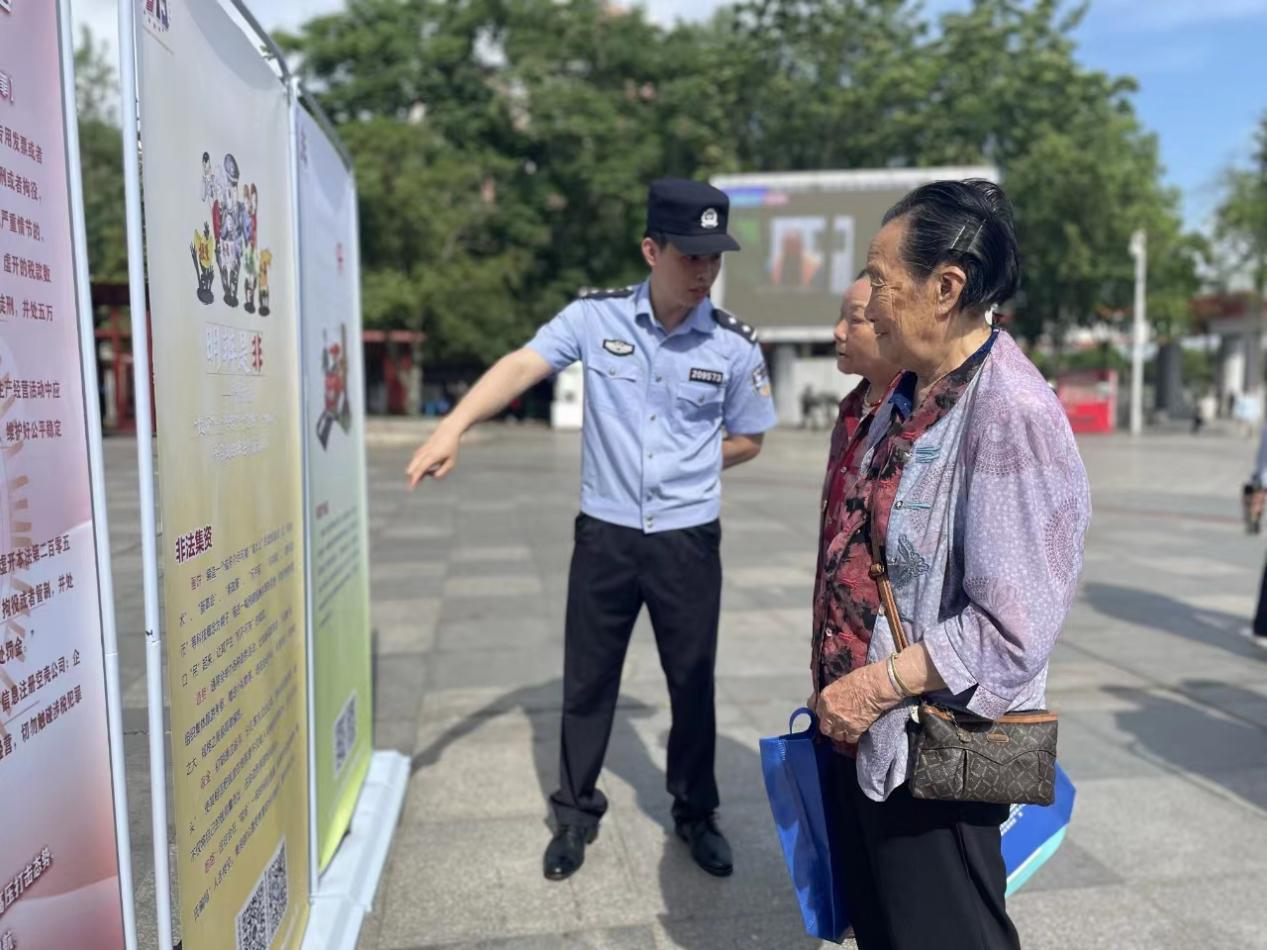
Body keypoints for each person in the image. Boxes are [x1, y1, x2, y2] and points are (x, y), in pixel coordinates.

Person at [406, 178, 778, 882]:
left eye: (713, 257)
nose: (703, 271)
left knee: (691, 682)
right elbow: (523, 364)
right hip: (605, 535)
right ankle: (575, 813)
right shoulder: (593, 317)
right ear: (651, 250)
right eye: (689, 255)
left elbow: (750, 438)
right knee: (587, 682)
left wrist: (689, 464)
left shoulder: (733, 346)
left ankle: (696, 812)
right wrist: (452, 426)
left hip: (686, 539)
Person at [809, 179, 1091, 950]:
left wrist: (871, 688)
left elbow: (1011, 629)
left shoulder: (1010, 413)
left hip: (934, 754)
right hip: (870, 739)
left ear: (945, 288)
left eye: (880, 279)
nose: (868, 300)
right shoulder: (905, 391)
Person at [812, 274, 901, 708]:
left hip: (885, 663)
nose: (838, 331)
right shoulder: (852, 409)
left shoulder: (917, 419)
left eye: (855, 320)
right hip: (836, 645)